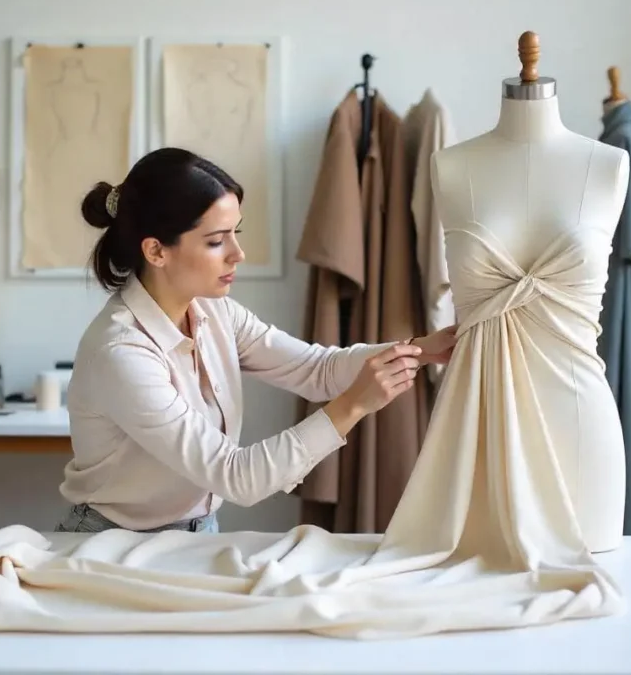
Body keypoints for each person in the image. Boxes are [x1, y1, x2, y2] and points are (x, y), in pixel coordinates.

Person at [55, 147, 458, 534]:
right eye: (216, 240)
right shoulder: (122, 353)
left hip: (197, 534)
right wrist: (352, 406)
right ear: (157, 251)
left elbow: (315, 369)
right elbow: (237, 476)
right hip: (113, 544)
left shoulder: (216, 314)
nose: (238, 254)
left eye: (236, 233)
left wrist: (421, 349)